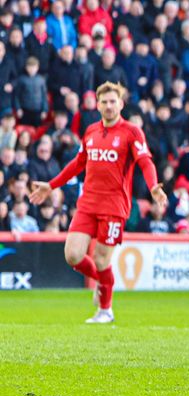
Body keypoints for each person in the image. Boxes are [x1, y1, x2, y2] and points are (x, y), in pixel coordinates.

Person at [29, 82, 167, 324]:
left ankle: (105, 310)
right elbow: (77, 163)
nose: (109, 106)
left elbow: (145, 162)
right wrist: (51, 185)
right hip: (88, 203)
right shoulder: (91, 131)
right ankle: (104, 283)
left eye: (113, 101)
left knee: (102, 259)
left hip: (114, 206)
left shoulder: (132, 132)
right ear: (98, 104)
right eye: (104, 101)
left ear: (121, 104)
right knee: (72, 255)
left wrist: (153, 185)